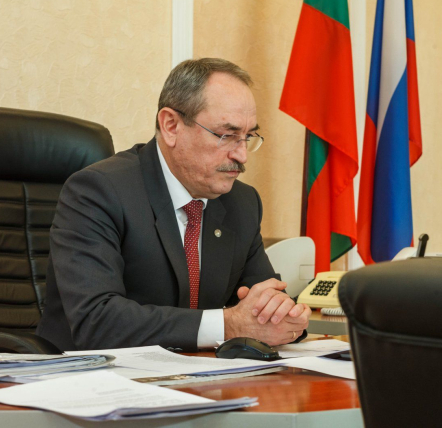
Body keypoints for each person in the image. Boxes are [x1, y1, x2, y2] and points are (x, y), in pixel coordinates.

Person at [37, 58, 311, 351]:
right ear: (171, 126)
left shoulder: (241, 203)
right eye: (227, 135)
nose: (242, 155)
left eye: (248, 137)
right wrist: (228, 325)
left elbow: (266, 304)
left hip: (196, 372)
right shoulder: (98, 191)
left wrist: (287, 317)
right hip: (86, 372)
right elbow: (96, 320)